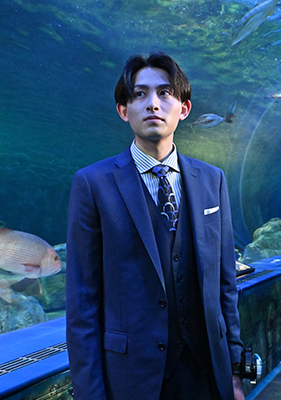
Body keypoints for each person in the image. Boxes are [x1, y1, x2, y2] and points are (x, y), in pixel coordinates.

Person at [65, 51, 245, 400]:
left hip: (207, 375)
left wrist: (235, 372)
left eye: (165, 93)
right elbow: (82, 301)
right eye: (139, 94)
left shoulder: (214, 180)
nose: (153, 104)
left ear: (184, 108)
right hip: (131, 379)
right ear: (123, 110)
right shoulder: (92, 184)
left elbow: (226, 286)